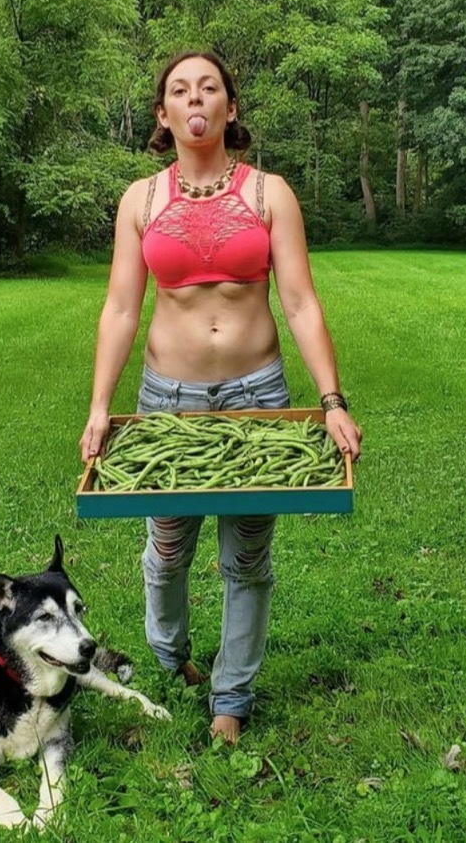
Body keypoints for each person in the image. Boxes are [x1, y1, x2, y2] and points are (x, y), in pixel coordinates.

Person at [79, 51, 363, 744]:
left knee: (246, 557)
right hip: (167, 399)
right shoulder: (141, 201)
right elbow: (121, 309)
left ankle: (231, 700)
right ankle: (172, 654)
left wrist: (331, 399)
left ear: (230, 108)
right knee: (168, 552)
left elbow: (298, 301)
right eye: (180, 89)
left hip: (256, 395)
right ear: (163, 114)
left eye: (209, 87)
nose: (195, 97)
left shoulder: (270, 193)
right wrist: (98, 407)